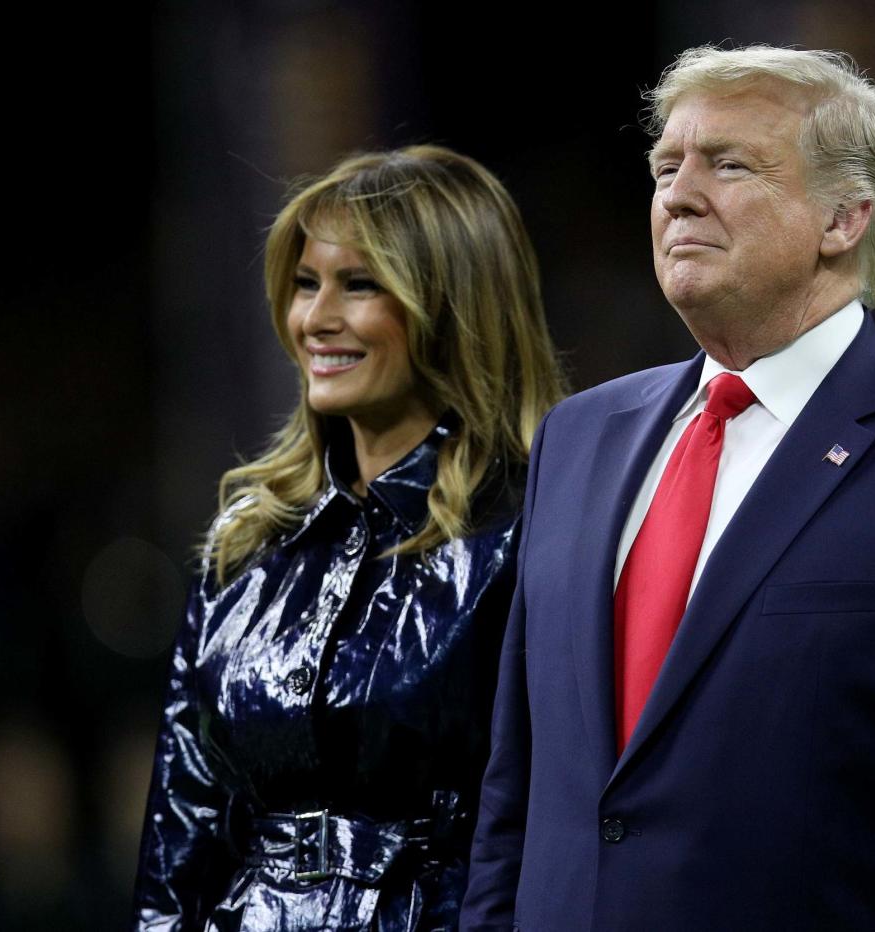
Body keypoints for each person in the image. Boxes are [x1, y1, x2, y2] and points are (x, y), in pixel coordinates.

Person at [461, 46, 875, 931]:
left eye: (727, 164)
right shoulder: (577, 439)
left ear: (845, 218)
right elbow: (516, 798)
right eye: (665, 168)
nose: (678, 194)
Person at [133, 145, 565, 931]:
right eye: (306, 284)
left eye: (359, 284)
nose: (315, 319)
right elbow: (183, 837)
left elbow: (561, 821)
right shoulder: (246, 545)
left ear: (452, 302)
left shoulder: (539, 527)